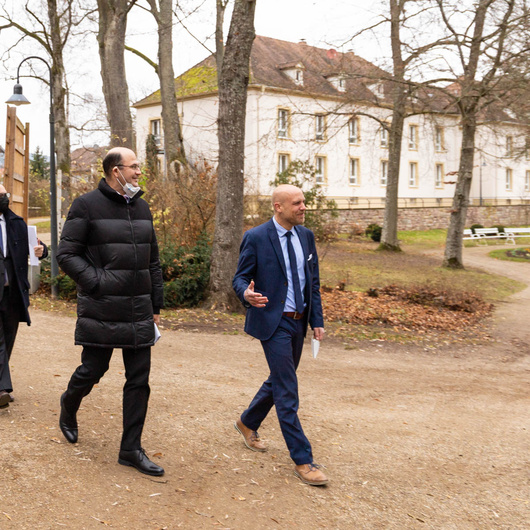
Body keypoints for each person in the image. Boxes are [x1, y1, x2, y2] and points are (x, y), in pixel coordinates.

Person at [57, 147, 165, 476]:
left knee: (139, 380)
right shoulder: (86, 205)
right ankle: (69, 403)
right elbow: (66, 254)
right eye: (133, 167)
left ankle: (131, 448)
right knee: (93, 369)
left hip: (138, 310)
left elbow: (153, 260)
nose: (138, 172)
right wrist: (99, 282)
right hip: (103, 307)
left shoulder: (143, 207)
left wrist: (156, 305)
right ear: (114, 170)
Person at [232, 184, 329, 486]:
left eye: (303, 202)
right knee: (287, 388)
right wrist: (246, 295)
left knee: (279, 379)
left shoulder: (306, 236)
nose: (303, 207)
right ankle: (303, 459)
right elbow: (239, 278)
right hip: (272, 323)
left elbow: (312, 283)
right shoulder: (256, 237)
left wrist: (317, 320)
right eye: (297, 203)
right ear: (279, 207)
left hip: (299, 323)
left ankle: (247, 422)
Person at [0, 184, 47, 409]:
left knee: (8, 338)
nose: (4, 198)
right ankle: (2, 389)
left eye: (4, 195)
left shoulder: (16, 223)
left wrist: (42, 250)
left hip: (13, 293)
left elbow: (35, 247)